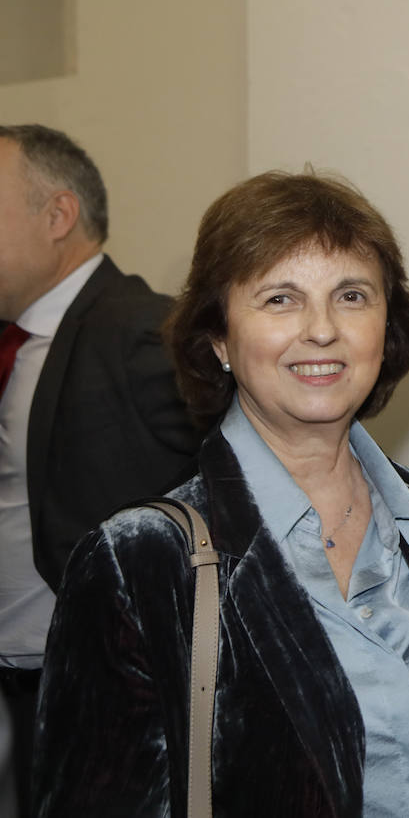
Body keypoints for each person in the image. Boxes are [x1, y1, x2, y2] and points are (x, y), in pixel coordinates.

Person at [33, 171, 409, 816]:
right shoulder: (139, 561)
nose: (321, 329)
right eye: (279, 300)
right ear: (218, 338)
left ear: (388, 324)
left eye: (352, 296)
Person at [0, 124, 201, 816]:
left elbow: (241, 490)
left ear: (58, 215)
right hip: (31, 691)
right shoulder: (18, 343)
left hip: (120, 702)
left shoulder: (143, 330)